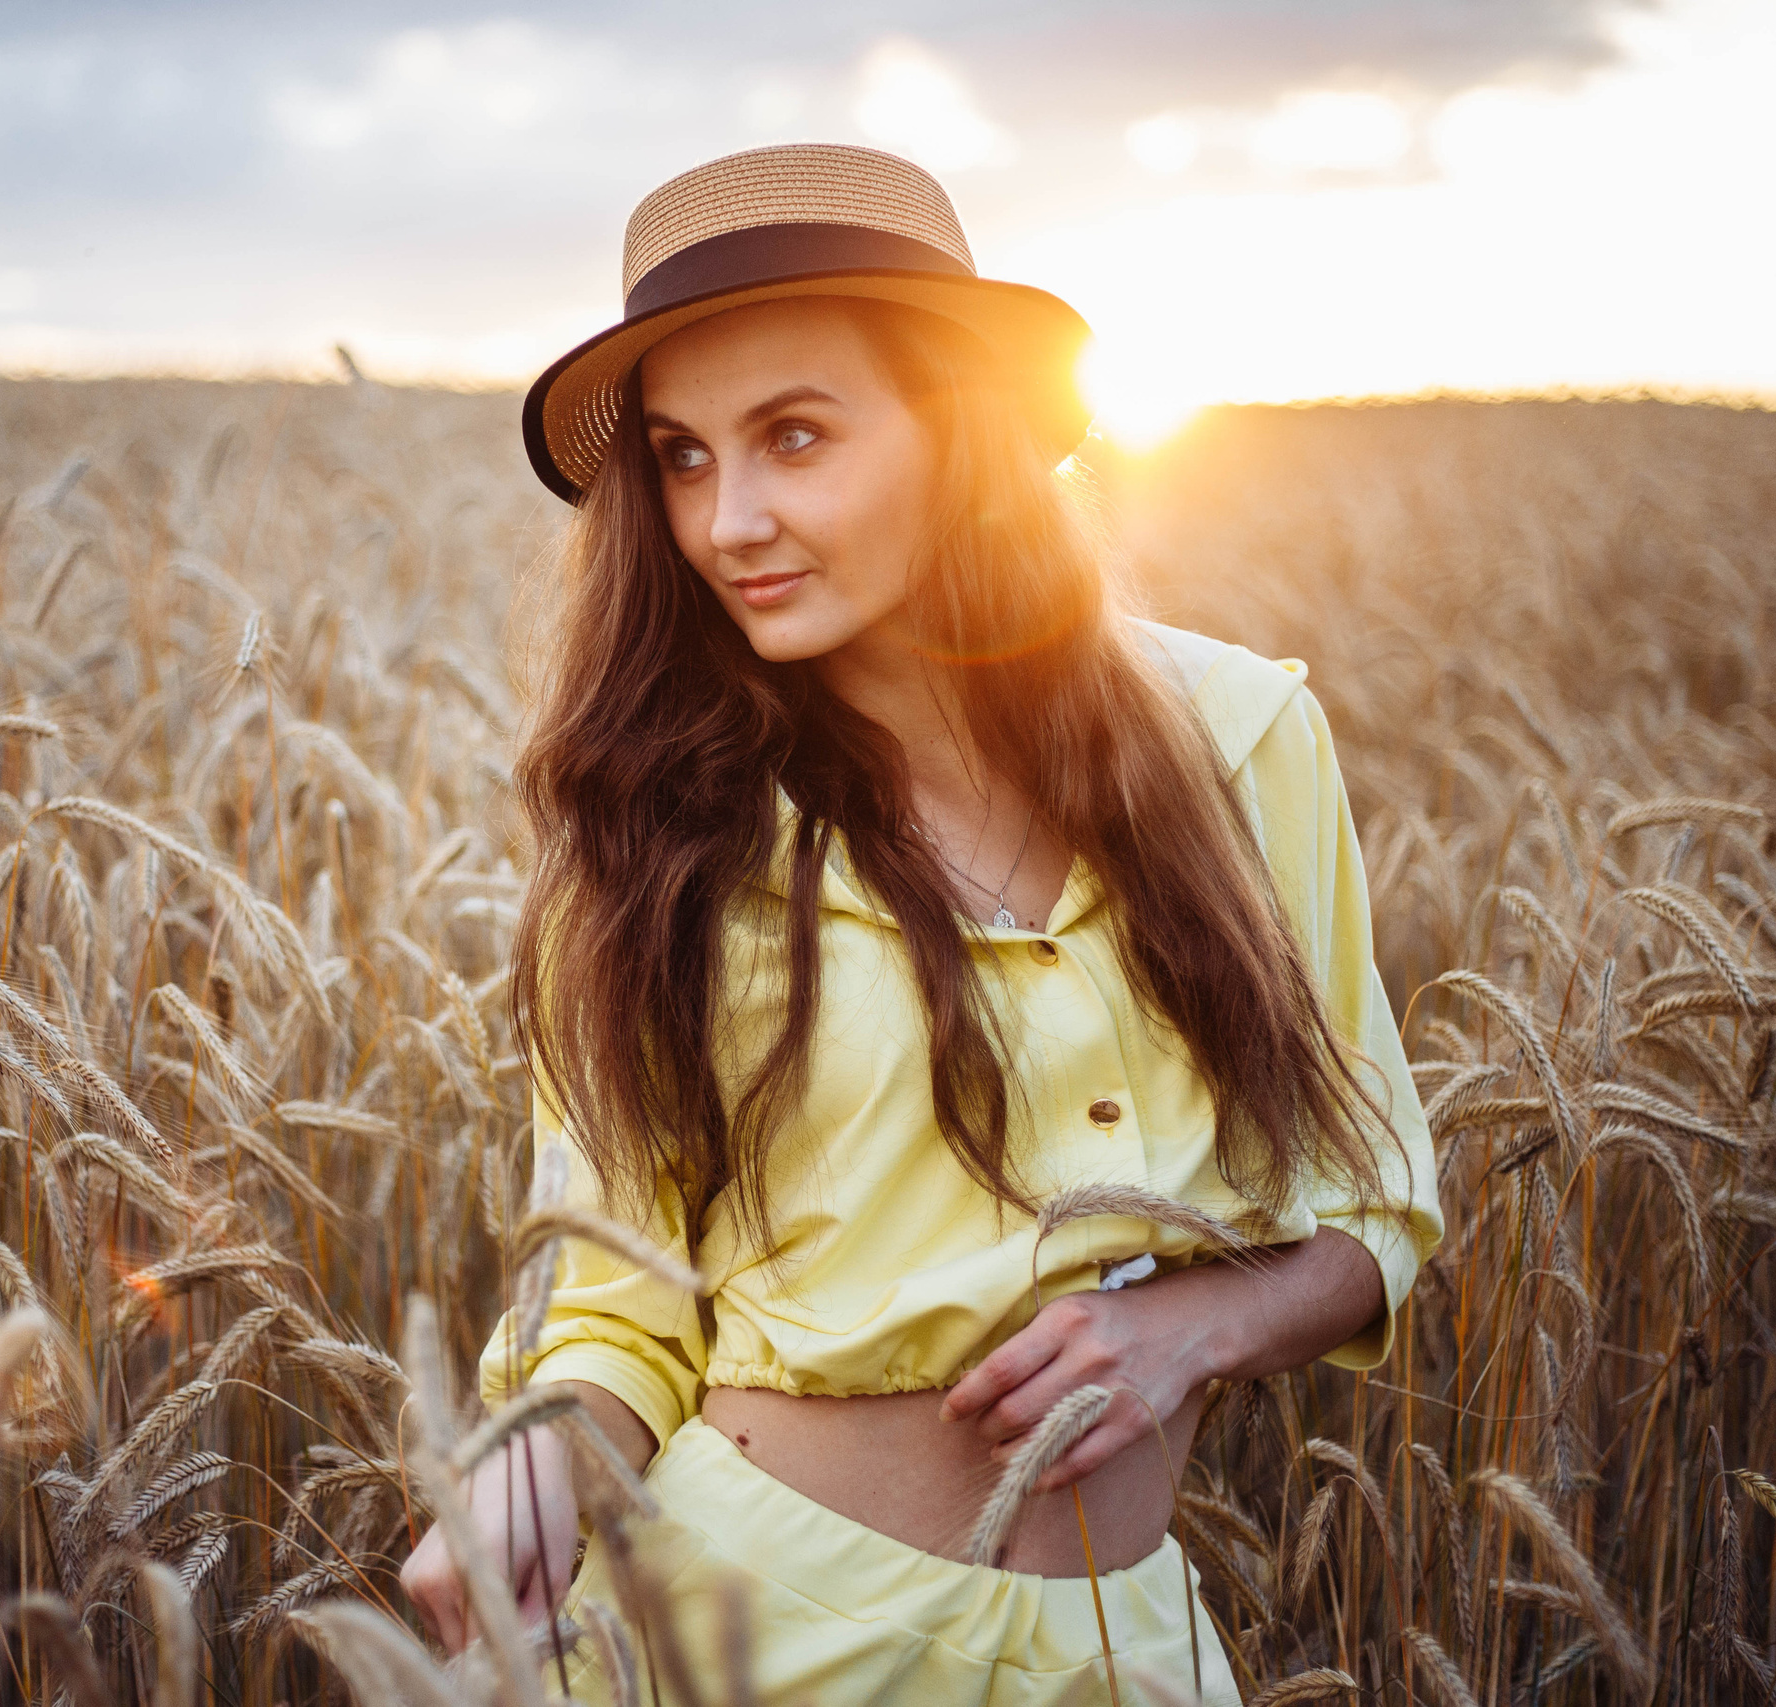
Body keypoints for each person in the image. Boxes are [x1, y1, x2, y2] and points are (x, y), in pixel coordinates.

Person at [399, 142, 1441, 1705]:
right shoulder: (657, 830)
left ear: (961, 428)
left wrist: (1203, 1327)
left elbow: (1377, 1194)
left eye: (794, 436)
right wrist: (542, 1459)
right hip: (743, 1637)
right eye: (683, 457)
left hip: (1123, 1651)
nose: (729, 518)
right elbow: (618, 1291)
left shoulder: (1242, 740)